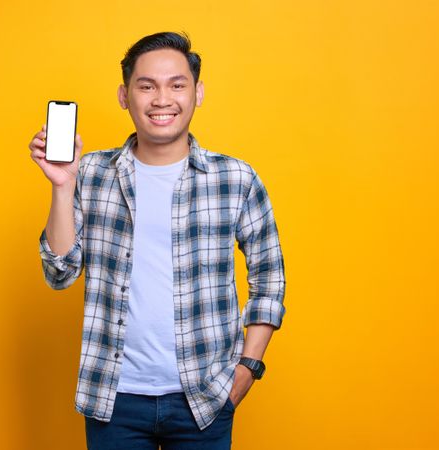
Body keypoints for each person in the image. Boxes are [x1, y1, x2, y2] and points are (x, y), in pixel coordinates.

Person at [28, 31, 286, 450]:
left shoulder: (235, 179)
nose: (162, 99)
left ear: (197, 93)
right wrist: (61, 184)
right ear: (124, 96)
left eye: (176, 85)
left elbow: (270, 279)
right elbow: (59, 273)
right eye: (146, 86)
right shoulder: (91, 173)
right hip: (114, 399)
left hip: (204, 398)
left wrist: (246, 369)